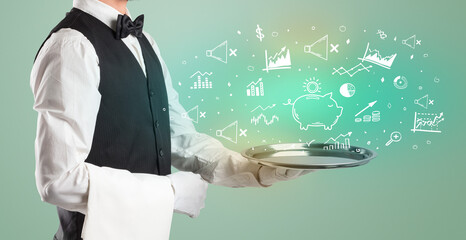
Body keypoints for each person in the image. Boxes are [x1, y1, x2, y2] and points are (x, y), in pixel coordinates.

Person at [30, 0, 312, 239]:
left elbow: (178, 139)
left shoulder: (145, 41)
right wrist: (172, 192)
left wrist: (261, 170)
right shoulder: (71, 45)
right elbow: (58, 180)